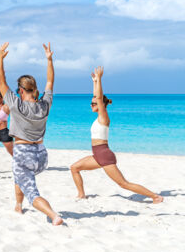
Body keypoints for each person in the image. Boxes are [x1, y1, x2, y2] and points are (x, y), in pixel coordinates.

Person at [70, 67, 163, 203]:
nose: (91, 105)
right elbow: (97, 97)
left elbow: (99, 97)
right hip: (97, 155)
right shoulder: (98, 118)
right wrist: (94, 81)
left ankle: (155, 196)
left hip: (104, 155)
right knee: (74, 168)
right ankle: (81, 194)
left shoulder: (104, 117)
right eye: (91, 103)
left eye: (93, 103)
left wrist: (99, 80)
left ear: (101, 105)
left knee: (123, 184)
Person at [0, 42, 63, 225]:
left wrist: (0, 59)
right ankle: (18, 205)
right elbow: (50, 82)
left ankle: (53, 215)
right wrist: (50, 60)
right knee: (20, 177)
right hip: (42, 156)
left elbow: (1, 82)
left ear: (20, 90)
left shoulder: (16, 105)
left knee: (32, 192)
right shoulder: (45, 105)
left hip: (23, 153)